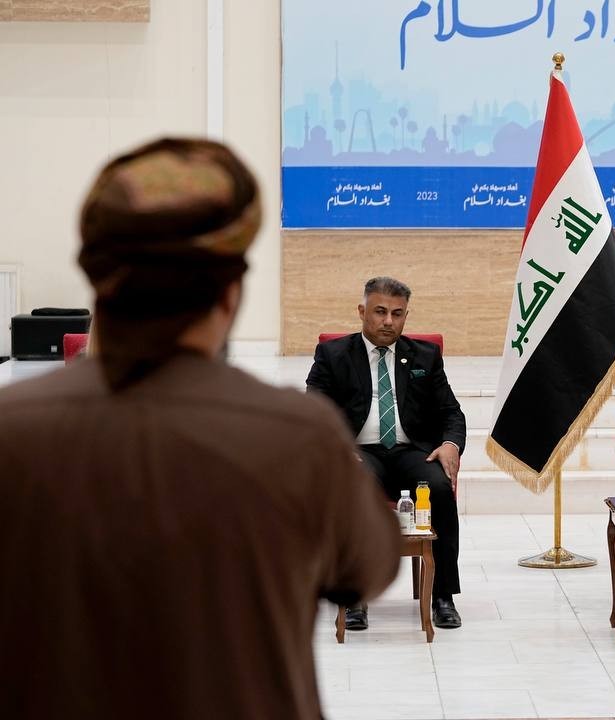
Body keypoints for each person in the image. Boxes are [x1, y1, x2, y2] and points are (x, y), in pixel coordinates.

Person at [0, 138, 401, 718]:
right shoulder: (296, 437)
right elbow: (368, 568)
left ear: (98, 282)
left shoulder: (12, 432)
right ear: (230, 293)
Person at [306, 277, 466, 629]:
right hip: (358, 452)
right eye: (380, 312)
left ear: (406, 315)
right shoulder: (333, 355)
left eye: (397, 313)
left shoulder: (425, 356)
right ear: (362, 311)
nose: (388, 321)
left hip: (412, 452)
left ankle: (442, 595)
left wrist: (450, 445)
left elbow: (451, 412)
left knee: (439, 489)